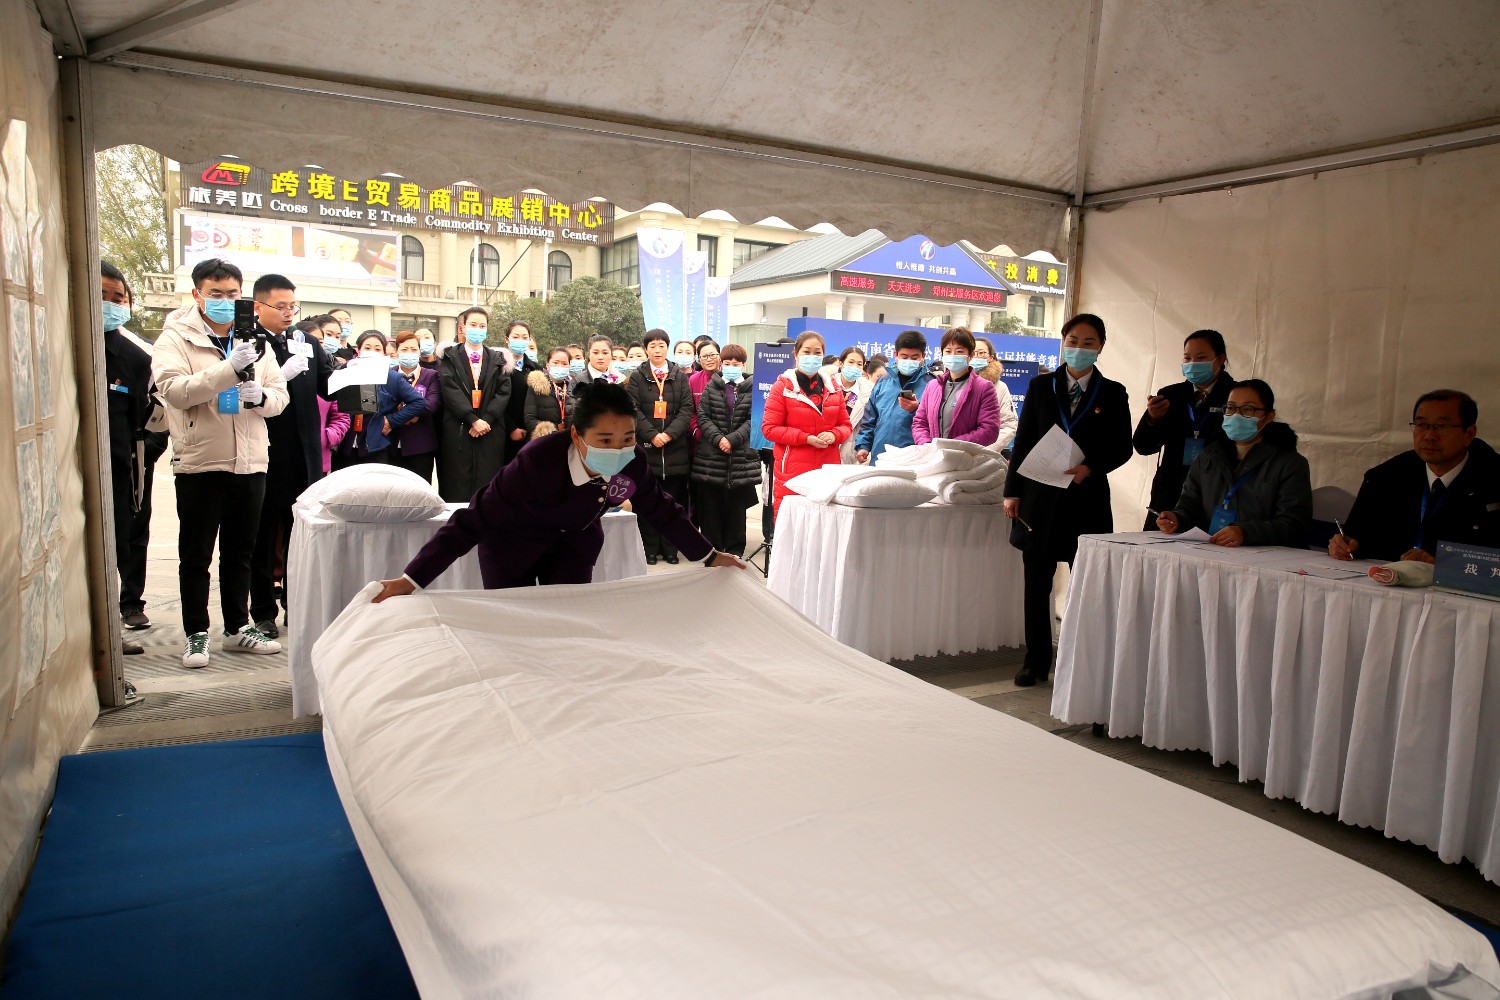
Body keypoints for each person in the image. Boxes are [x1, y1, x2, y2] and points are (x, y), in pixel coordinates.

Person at [372, 383, 746, 599]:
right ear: (576, 436)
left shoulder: (632, 460)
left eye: (627, 438)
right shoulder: (536, 460)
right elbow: (472, 520)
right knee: (514, 624)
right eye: (605, 440)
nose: (618, 449)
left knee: (567, 621)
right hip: (512, 546)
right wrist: (411, 580)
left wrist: (709, 556)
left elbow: (661, 509)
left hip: (574, 545)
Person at [153, 257, 289, 668]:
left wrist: (261, 398)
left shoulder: (256, 340)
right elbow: (175, 391)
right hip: (201, 461)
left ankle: (236, 628)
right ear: (197, 294)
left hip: (250, 461)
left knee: (240, 552)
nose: (225, 301)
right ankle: (196, 633)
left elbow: (279, 395)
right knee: (196, 555)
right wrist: (229, 369)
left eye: (232, 294)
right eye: (216, 294)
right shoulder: (176, 338)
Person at [1003, 314, 1132, 687]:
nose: (1079, 348)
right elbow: (1024, 439)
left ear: (1100, 347)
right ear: (1063, 342)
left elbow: (1122, 446)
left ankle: (1080, 663)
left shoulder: (1113, 393)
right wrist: (1012, 491)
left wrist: (1091, 467)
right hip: (1039, 498)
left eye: (1088, 342)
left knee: (1085, 587)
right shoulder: (1041, 386)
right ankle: (1035, 661)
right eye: (1073, 341)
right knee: (1036, 584)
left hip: (1086, 501)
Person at [248, 273, 333, 638]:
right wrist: (280, 376)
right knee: (264, 536)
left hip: (305, 453)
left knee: (301, 535)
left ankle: (297, 607)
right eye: (280, 306)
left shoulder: (306, 343)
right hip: (268, 452)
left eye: (292, 306)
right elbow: (245, 393)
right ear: (258, 306)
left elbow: (328, 386)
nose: (288, 313)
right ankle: (263, 610)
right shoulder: (248, 343)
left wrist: (356, 378)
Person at [1332, 390, 1500, 563]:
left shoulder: (1494, 480)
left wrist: (1442, 565)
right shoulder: (1386, 477)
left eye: (1442, 426)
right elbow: (1357, 539)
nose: (1429, 436)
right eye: (1422, 425)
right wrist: (1344, 545)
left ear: (1468, 434)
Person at [1156, 379, 1312, 548]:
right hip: (1216, 553)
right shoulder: (1207, 457)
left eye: (1247, 409)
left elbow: (1295, 524)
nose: (1236, 415)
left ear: (1269, 416)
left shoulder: (1290, 464)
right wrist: (1177, 519)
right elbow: (1189, 508)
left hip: (1268, 558)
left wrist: (1245, 532)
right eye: (1230, 408)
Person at [100, 262, 154, 654]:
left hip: (119, 475)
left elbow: (146, 418)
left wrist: (143, 458)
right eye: (101, 295)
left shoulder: (135, 358)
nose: (110, 304)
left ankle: (110, 630)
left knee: (117, 547)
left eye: (118, 298)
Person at [1134, 330, 1235, 529]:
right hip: (1171, 492)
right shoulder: (1171, 395)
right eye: (1187, 358)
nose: (1193, 363)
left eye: (1201, 357)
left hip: (1214, 491)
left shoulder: (1236, 396)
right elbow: (1143, 446)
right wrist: (1152, 419)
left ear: (1220, 359)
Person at [762, 331, 852, 517]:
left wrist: (834, 434)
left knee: (824, 522)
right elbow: (770, 429)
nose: (812, 357)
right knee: (793, 521)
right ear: (796, 355)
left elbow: (846, 425)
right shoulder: (782, 388)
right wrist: (805, 438)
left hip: (827, 469)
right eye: (807, 352)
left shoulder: (833, 388)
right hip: (793, 469)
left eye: (817, 353)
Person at [626, 329, 694, 564]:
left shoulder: (679, 376)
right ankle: (649, 549)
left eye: (661, 345)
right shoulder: (638, 376)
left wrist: (669, 434)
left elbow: (686, 409)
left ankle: (670, 549)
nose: (657, 350)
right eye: (652, 346)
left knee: (672, 503)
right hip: (647, 448)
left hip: (675, 451)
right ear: (646, 349)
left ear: (667, 348)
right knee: (647, 502)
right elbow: (633, 410)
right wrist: (653, 435)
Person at [437, 306, 512, 502]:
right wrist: (471, 419)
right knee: (457, 485)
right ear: (462, 328)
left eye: (482, 326)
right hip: (459, 429)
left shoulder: (497, 359)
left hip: (490, 430)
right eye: (473, 325)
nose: (478, 329)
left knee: (488, 486)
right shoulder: (450, 357)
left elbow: (503, 392)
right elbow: (450, 390)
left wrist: (486, 419)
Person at [692, 344, 759, 556]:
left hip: (740, 455)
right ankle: (712, 550)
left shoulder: (752, 388)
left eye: (735, 364)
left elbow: (753, 419)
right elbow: (703, 416)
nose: (731, 367)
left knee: (736, 507)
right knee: (711, 506)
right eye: (727, 363)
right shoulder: (713, 386)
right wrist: (719, 439)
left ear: (743, 365)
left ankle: (734, 549)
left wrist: (732, 439)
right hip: (712, 455)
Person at [911, 327, 1001, 446]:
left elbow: (989, 430)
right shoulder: (932, 386)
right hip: (933, 454)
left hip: (965, 456)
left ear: (970, 355)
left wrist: (951, 446)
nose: (953, 355)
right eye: (948, 351)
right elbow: (920, 422)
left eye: (959, 351)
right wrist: (926, 444)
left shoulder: (984, 388)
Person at [348, 332, 429, 464]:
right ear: (358, 350)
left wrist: (392, 420)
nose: (372, 352)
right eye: (367, 348)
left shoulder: (392, 377)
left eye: (377, 349)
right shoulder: (346, 372)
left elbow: (418, 402)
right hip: (347, 443)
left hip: (375, 444)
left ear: (384, 353)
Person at [855, 330, 933, 465]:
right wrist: (863, 445)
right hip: (881, 455)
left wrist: (917, 409)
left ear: (923, 356)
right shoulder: (883, 381)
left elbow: (937, 421)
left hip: (914, 459)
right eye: (904, 356)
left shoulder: (931, 384)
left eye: (914, 357)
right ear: (896, 354)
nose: (909, 361)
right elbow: (870, 418)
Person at [294, 319, 351, 475]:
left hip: (320, 456)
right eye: (313, 342)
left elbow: (341, 415)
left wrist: (327, 436)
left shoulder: (328, 376)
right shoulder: (286, 370)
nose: (318, 347)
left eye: (320, 342)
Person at [388, 330, 442, 481]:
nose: (409, 353)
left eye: (413, 349)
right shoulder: (388, 374)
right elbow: (383, 404)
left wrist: (398, 414)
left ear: (419, 352)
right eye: (404, 349)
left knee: (420, 489)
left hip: (421, 445)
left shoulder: (431, 375)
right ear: (397, 351)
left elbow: (431, 405)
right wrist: (412, 413)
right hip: (391, 443)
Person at [968, 337, 1019, 450]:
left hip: (986, 453)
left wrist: (986, 450)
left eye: (981, 353)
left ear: (990, 358)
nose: (976, 356)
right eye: (973, 353)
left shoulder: (1000, 387)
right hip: (957, 450)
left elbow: (1009, 425)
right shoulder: (956, 383)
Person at [503, 320, 541, 465]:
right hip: (503, 433)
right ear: (507, 340)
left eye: (525, 338)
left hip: (528, 433)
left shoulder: (536, 369)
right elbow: (495, 400)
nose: (520, 341)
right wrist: (511, 428)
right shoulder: (497, 366)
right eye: (515, 337)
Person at [825, 347, 872, 464]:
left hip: (850, 452)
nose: (855, 367)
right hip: (825, 444)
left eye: (859, 364)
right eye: (851, 362)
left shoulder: (868, 391)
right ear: (841, 364)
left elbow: (868, 424)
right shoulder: (825, 385)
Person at [526, 347, 575, 436]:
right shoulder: (537, 387)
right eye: (555, 363)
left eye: (564, 364)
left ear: (569, 366)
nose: (560, 367)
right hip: (545, 439)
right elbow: (529, 418)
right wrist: (549, 432)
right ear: (547, 365)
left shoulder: (573, 388)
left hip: (570, 438)